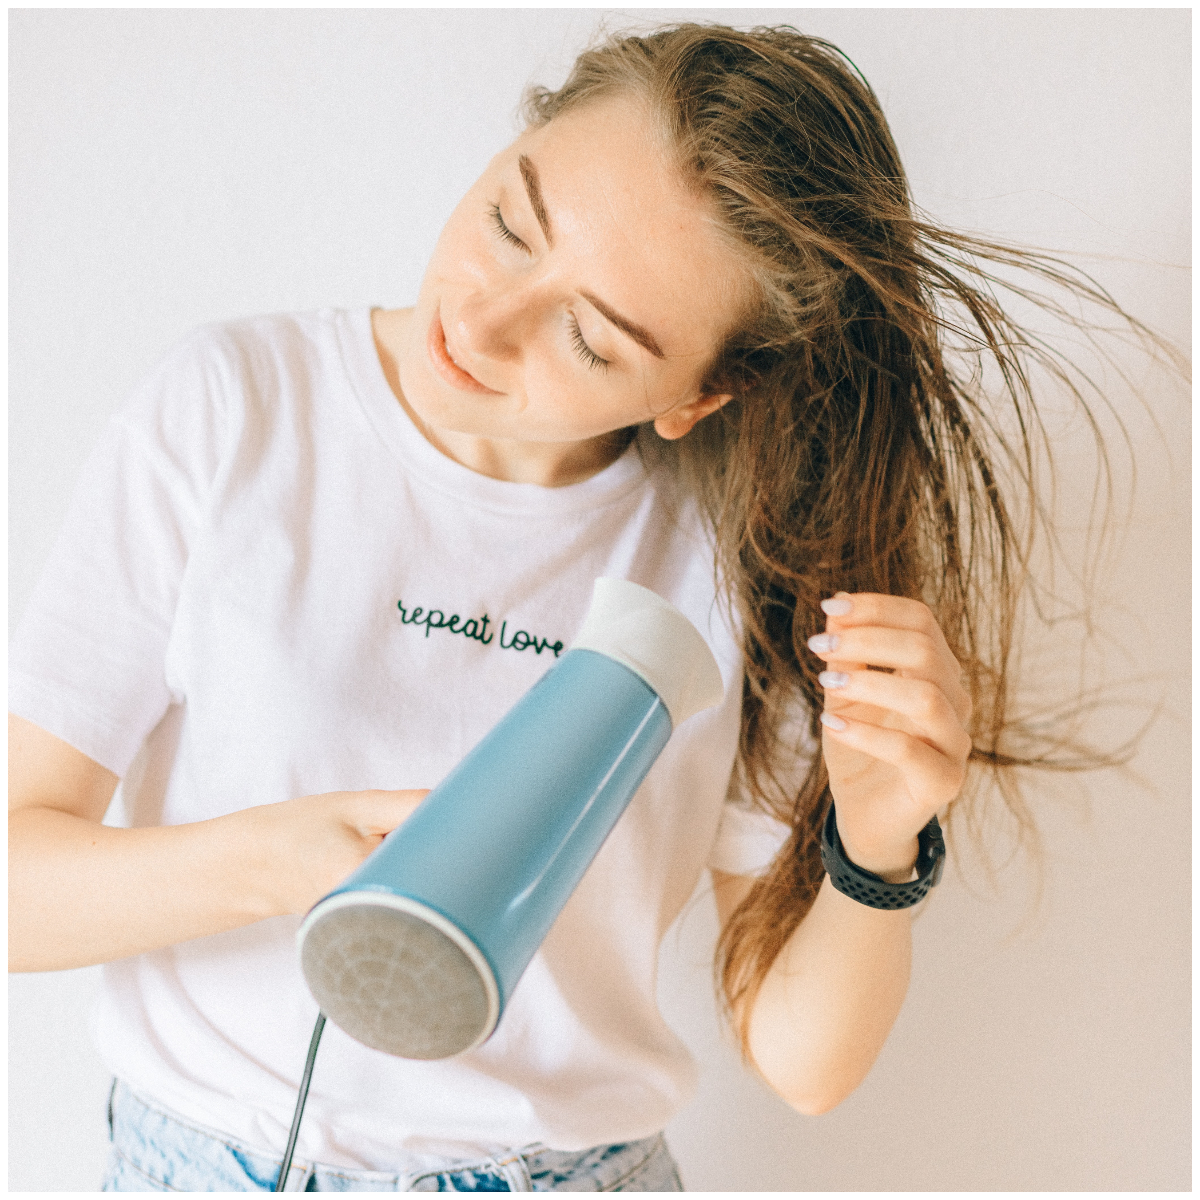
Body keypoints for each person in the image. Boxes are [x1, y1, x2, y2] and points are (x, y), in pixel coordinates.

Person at [8, 22, 1149, 1193]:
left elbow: (806, 1064)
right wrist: (276, 865)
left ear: (700, 396)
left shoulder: (738, 553)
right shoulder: (236, 409)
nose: (487, 320)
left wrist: (876, 837)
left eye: (590, 338)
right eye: (512, 223)